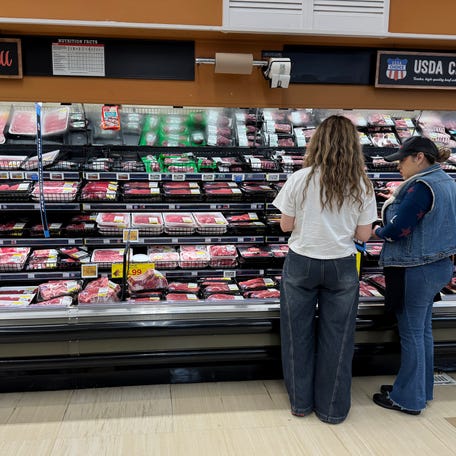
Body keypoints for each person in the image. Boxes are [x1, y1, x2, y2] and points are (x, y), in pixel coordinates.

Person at [272, 115, 377, 424]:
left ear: (317, 143)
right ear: (353, 146)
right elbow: (364, 235)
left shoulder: (300, 178)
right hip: (342, 265)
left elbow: (286, 225)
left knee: (297, 335)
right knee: (339, 338)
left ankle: (301, 405)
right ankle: (332, 410)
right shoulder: (361, 183)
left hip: (302, 262)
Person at [371, 136, 456, 416]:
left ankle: (407, 399)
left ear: (419, 157)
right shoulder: (447, 182)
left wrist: (377, 232)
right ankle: (421, 389)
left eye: (402, 161)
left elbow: (400, 229)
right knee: (423, 331)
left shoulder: (422, 186)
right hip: (439, 264)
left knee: (411, 333)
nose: (398, 167)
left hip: (415, 268)